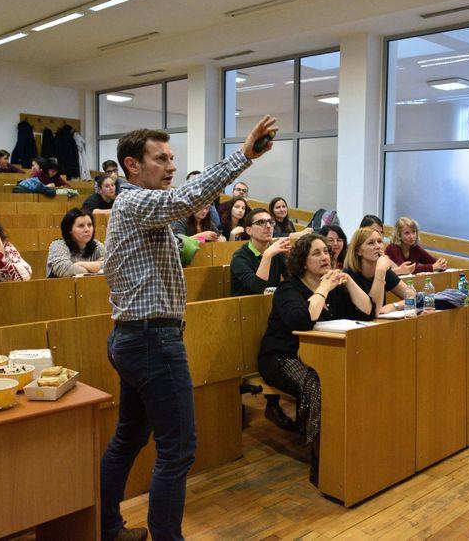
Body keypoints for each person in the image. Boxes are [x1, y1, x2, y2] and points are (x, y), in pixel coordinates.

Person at [100, 116, 277, 541]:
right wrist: (244, 155)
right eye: (161, 159)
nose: (171, 166)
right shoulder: (134, 202)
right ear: (133, 166)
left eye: (172, 158)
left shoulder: (144, 209)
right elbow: (188, 198)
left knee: (129, 438)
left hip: (137, 337)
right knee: (177, 448)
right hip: (150, 340)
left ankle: (106, 528)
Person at [257, 233, 374, 484]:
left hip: (322, 357)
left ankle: (353, 444)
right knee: (316, 383)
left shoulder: (335, 286)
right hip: (281, 357)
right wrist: (323, 287)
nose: (325, 257)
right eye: (317, 253)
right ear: (302, 261)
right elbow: (301, 320)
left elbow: (367, 311)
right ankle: (320, 456)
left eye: (326, 252)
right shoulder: (289, 288)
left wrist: (349, 282)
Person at [343, 227, 410, 314]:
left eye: (379, 241)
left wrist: (394, 306)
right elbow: (373, 311)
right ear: (358, 251)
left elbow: (415, 297)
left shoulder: (384, 271)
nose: (378, 246)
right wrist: (380, 271)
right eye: (371, 243)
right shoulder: (348, 275)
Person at [230, 208, 291, 297]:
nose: (268, 226)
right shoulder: (239, 258)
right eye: (261, 222)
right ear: (249, 230)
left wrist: (291, 260)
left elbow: (293, 282)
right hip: (246, 307)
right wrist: (267, 255)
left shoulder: (277, 252)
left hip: (273, 305)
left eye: (270, 222)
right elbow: (258, 288)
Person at [47, 208, 105, 277]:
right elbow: (66, 271)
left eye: (89, 225)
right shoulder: (58, 245)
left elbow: (110, 266)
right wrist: (96, 268)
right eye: (81, 226)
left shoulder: (97, 245)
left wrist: (80, 264)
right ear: (69, 229)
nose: (87, 229)